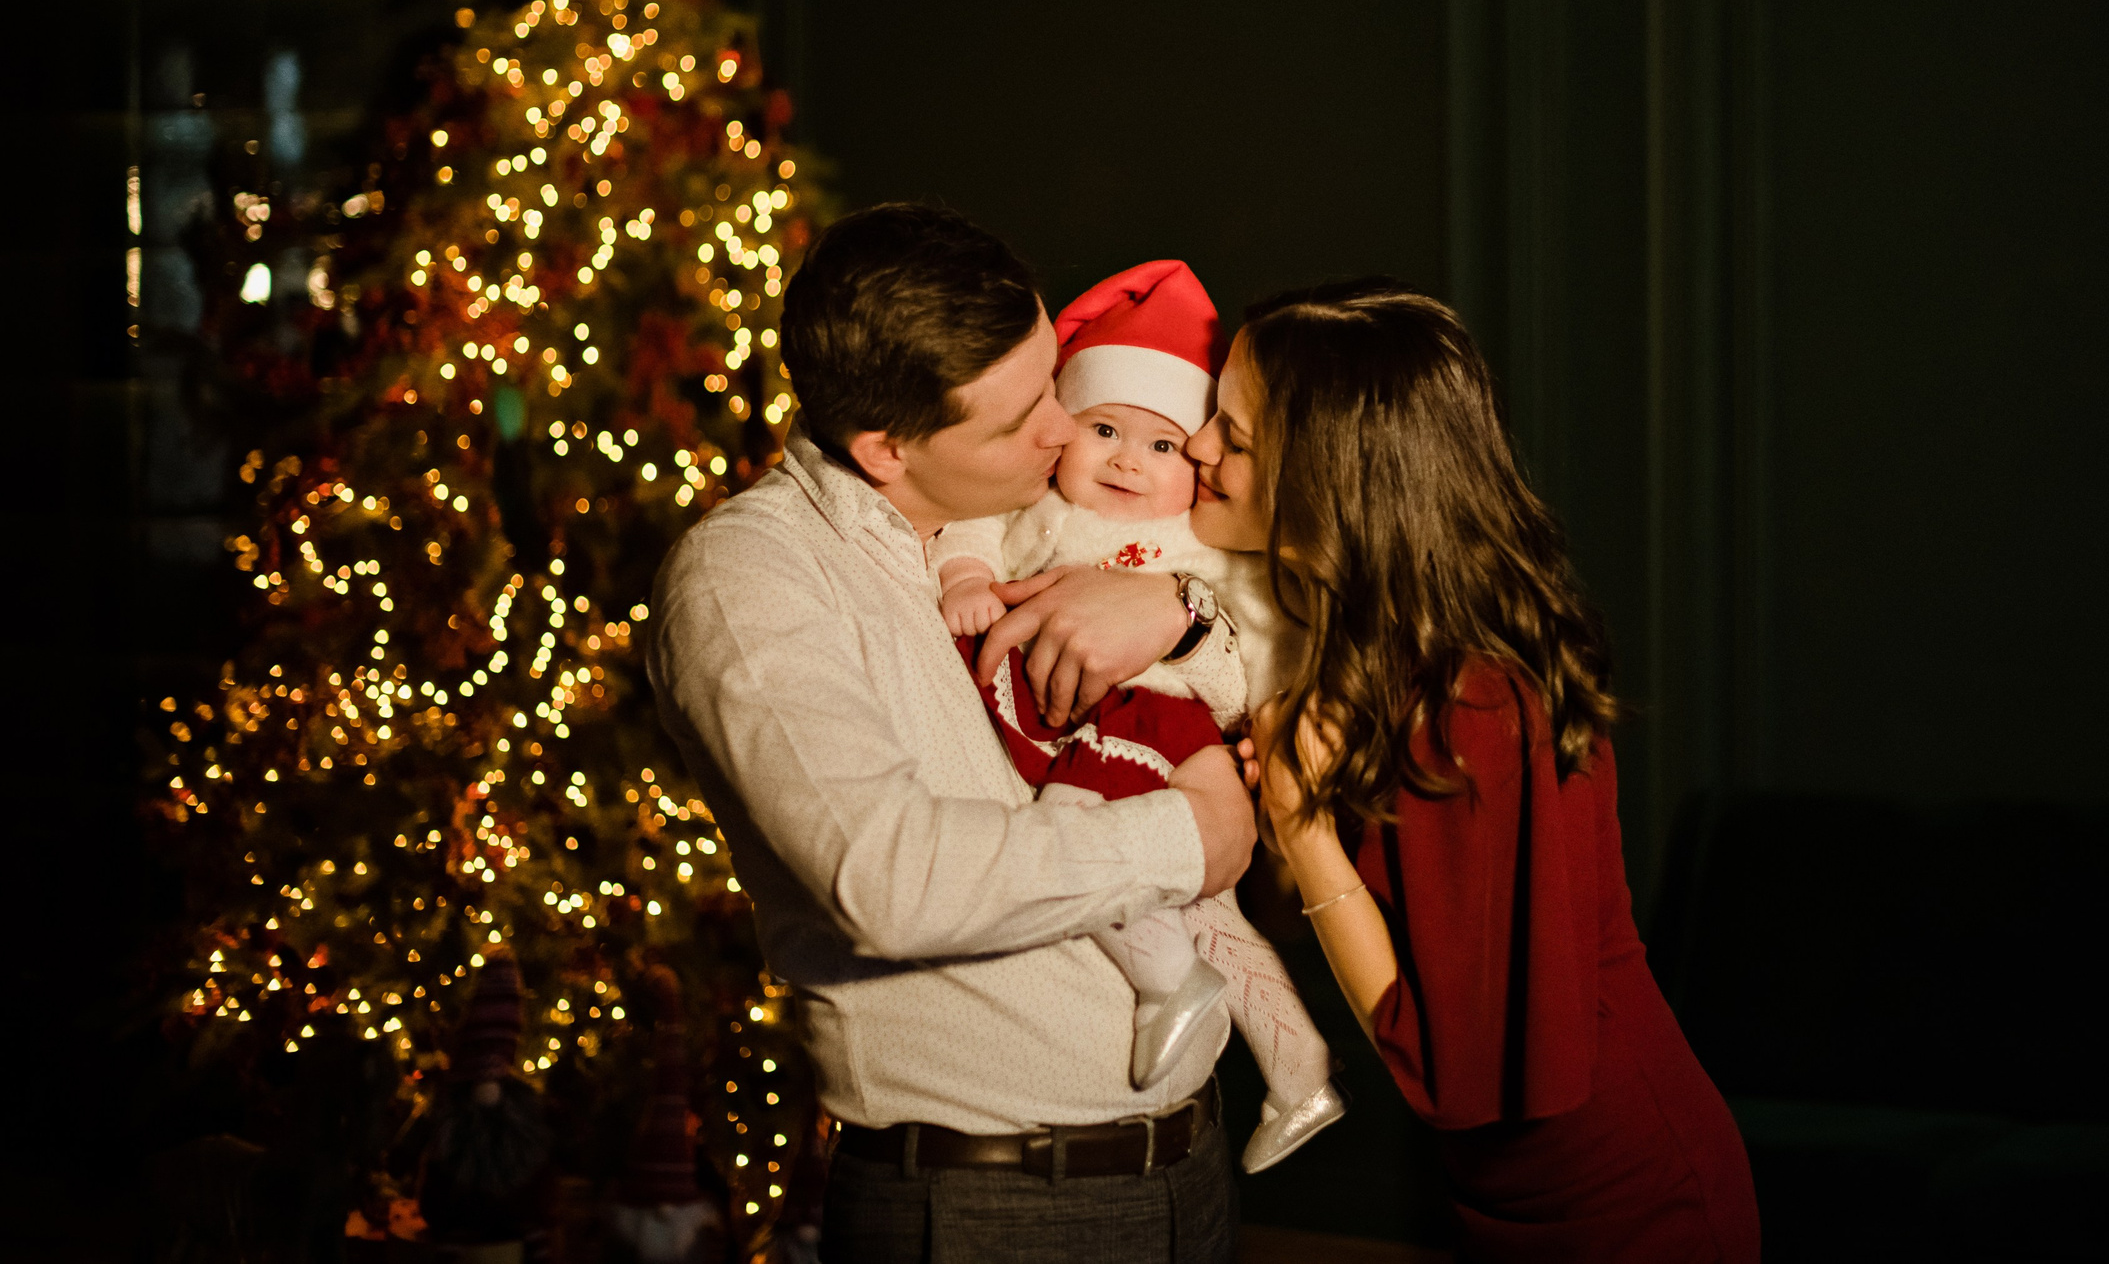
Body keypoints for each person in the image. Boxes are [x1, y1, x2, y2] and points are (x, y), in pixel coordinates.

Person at [647, 203, 1257, 1264]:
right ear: (885, 447)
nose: (1069, 431)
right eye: (1025, 417)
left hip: (1190, 1167)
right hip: (990, 1208)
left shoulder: (1033, 510)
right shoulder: (752, 581)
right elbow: (888, 877)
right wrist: (1188, 837)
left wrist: (1183, 613)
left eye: (1055, 384)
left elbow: (1249, 637)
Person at [1203, 281, 1762, 1263]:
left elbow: (1442, 1070)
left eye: (1233, 436)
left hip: (1619, 1200)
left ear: (1330, 473)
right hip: (1503, 1191)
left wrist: (1299, 822)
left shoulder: (1480, 704)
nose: (1199, 447)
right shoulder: (1353, 647)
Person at [935, 259, 1343, 1172]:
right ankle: (1298, 1066)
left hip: (1151, 725)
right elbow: (970, 529)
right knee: (1209, 910)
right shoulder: (1039, 509)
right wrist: (963, 575)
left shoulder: (1203, 541)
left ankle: (1169, 988)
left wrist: (1185, 614)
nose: (1128, 458)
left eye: (1164, 445)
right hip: (1088, 725)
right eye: (1105, 428)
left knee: (1072, 837)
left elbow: (1258, 647)